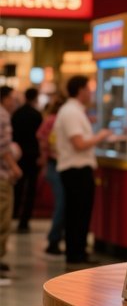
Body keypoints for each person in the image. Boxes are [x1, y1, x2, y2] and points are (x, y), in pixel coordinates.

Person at [54, 76, 112, 267]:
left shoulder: (74, 111)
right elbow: (79, 143)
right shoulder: (71, 112)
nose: (91, 92)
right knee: (78, 213)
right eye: (88, 88)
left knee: (78, 212)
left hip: (75, 169)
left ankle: (78, 252)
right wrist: (101, 136)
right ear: (80, 90)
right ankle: (75, 254)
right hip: (76, 170)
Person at [37, 93, 66, 255]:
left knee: (62, 203)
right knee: (62, 203)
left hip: (52, 164)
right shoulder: (56, 121)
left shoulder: (49, 120)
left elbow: (41, 138)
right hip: (56, 164)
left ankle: (55, 238)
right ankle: (54, 239)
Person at [11, 86, 43, 232]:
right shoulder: (37, 115)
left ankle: (13, 214)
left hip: (18, 155)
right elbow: (40, 137)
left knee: (18, 187)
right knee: (30, 189)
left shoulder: (16, 114)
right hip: (33, 155)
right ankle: (24, 222)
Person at [0, 86, 23, 275]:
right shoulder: (3, 115)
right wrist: (14, 166)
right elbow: (3, 147)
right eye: (12, 98)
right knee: (3, 218)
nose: (14, 101)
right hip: (2, 176)